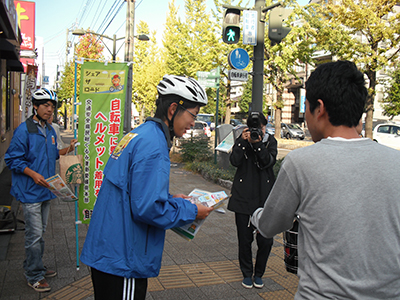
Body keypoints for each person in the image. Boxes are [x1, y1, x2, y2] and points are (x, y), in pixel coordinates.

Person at [251, 60, 400, 299]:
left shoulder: (301, 163)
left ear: (319, 108)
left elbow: (269, 226)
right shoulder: (396, 161)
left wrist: (255, 214)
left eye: (307, 106)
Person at [80, 75, 214, 300]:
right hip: (123, 259)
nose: (193, 122)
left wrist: (171, 198)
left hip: (108, 249)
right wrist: (193, 211)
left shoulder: (139, 134)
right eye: (193, 115)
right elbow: (147, 208)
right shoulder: (154, 145)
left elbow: (133, 190)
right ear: (173, 109)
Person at [5, 88, 77, 292]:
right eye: (46, 105)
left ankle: (34, 265)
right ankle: (34, 275)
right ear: (35, 107)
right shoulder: (24, 130)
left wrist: (69, 149)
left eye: (52, 107)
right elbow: (12, 159)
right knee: (34, 235)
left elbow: (53, 154)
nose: (50, 110)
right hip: (29, 192)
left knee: (40, 233)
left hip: (47, 190)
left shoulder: (50, 129)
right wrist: (33, 174)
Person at [228, 111, 277, 289]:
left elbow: (268, 162)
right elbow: (234, 161)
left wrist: (257, 144)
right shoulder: (242, 139)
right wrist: (242, 141)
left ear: (265, 126)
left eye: (261, 126)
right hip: (243, 198)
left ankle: (259, 273)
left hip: (265, 199)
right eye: (255, 127)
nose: (259, 130)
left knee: (266, 240)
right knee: (244, 239)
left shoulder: (270, 141)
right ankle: (247, 273)